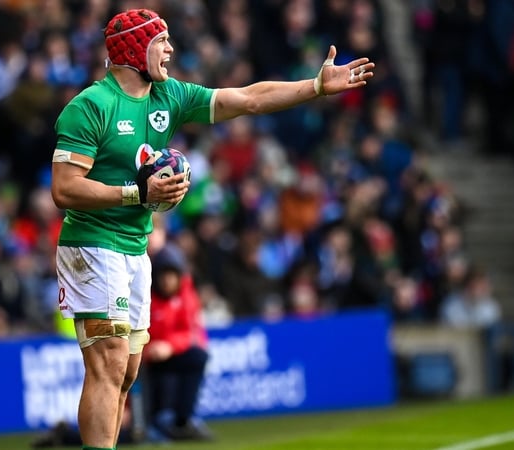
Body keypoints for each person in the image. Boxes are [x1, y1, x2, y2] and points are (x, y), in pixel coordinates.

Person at [50, 8, 375, 450]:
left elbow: (249, 99)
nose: (170, 49)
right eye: (160, 41)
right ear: (132, 50)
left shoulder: (169, 95)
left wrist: (315, 87)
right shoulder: (90, 106)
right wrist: (136, 195)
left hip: (133, 245)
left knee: (125, 372)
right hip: (92, 245)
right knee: (106, 366)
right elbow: (65, 189)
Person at [144, 242, 212, 441]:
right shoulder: (145, 295)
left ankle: (183, 421)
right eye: (163, 275)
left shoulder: (187, 294)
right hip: (144, 356)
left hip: (169, 352)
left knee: (198, 357)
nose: (167, 281)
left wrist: (169, 346)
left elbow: (188, 331)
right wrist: (149, 348)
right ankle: (148, 423)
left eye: (171, 275)